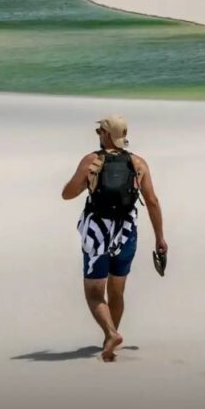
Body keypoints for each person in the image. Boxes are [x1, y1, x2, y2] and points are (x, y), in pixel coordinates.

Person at [61, 114, 167, 362]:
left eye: (100, 131)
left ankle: (110, 333)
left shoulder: (92, 161)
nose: (98, 134)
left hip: (98, 234)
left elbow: (67, 194)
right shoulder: (138, 164)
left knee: (94, 293)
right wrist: (160, 238)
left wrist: (86, 180)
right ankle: (111, 341)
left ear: (108, 135)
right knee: (117, 292)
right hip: (126, 233)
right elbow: (152, 201)